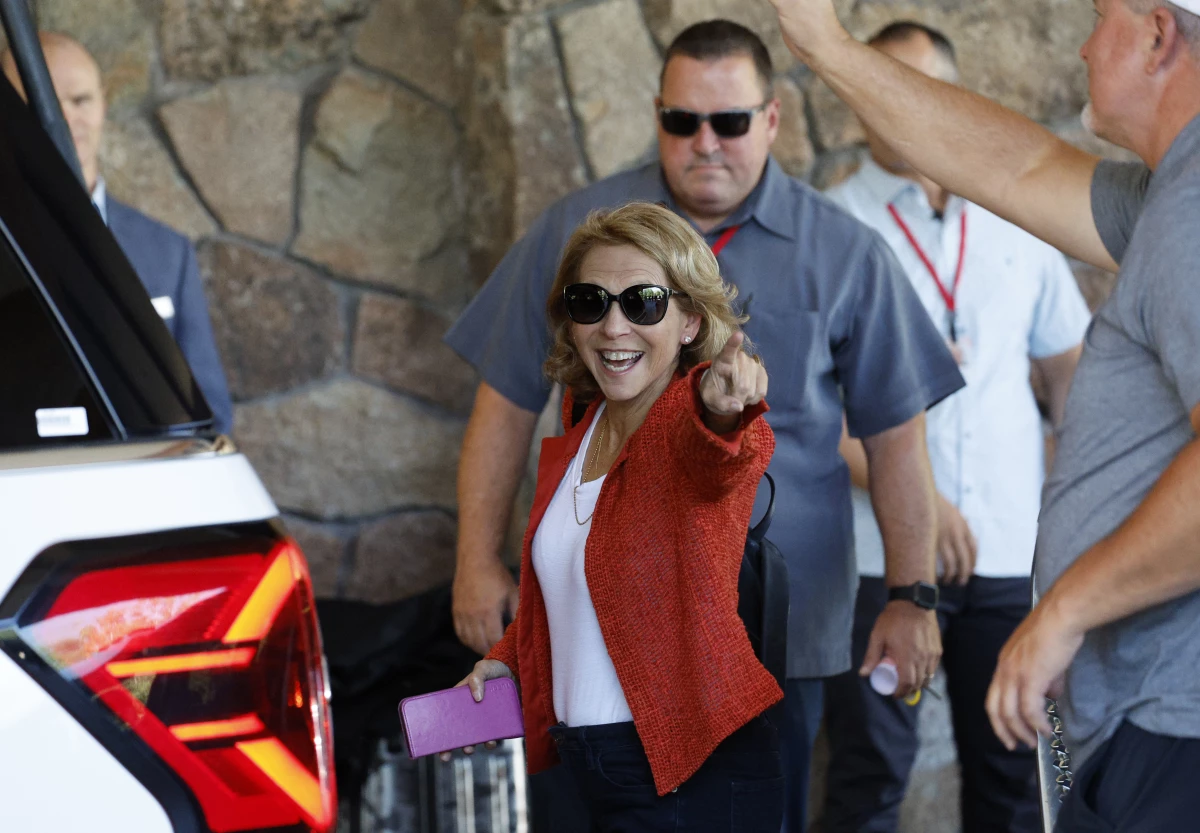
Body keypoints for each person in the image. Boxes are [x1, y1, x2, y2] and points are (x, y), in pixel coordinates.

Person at [444, 19, 965, 828]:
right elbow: (508, 401)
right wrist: (477, 561)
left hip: (774, 631)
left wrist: (912, 593)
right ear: (657, 116)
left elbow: (890, 433)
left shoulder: (844, 252)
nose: (706, 143)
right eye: (683, 121)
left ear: (773, 119)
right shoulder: (581, 234)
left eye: (729, 121)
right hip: (601, 630)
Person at [767, 0, 1200, 827]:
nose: (1080, 42)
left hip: (1169, 725)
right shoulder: (1168, 193)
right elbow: (1020, 167)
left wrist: (1065, 609)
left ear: (1154, 34)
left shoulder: (1193, 207)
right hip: (1134, 711)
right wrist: (825, 44)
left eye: (1101, 17)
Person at [820, 22, 1091, 833]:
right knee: (869, 778)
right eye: (882, 89)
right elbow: (806, 417)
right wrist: (923, 506)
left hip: (1013, 553)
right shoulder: (830, 227)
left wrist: (1072, 501)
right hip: (881, 563)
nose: (901, 111)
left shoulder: (1019, 216)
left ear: (953, 99)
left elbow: (1070, 373)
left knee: (1016, 779)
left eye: (920, 91)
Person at [458, 201, 783, 831]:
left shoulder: (686, 420)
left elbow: (722, 455)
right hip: (585, 768)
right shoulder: (582, 419)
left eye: (643, 303)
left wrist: (724, 410)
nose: (613, 326)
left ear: (690, 320)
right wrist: (509, 659)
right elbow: (570, 592)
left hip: (691, 773)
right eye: (590, 302)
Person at [2, 33, 233, 435]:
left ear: (104, 103)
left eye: (80, 100)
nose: (64, 118)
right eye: (41, 100)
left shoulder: (167, 252)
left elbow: (210, 413)